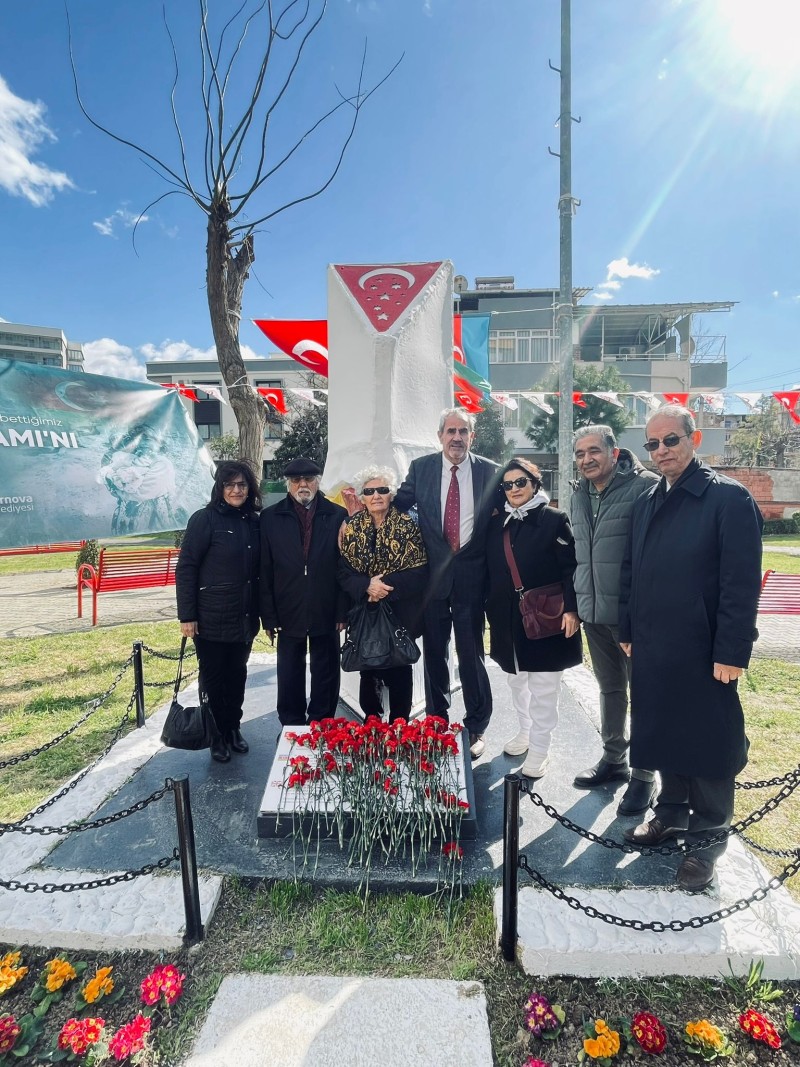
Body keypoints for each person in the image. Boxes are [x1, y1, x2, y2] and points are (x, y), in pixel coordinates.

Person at [618, 405, 763, 892]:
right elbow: (630, 572)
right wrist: (627, 627)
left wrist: (732, 651)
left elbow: (741, 584)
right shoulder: (647, 500)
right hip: (653, 646)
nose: (661, 451)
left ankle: (706, 843)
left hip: (704, 651)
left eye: (670, 440)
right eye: (652, 444)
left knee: (707, 744)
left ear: (693, 439)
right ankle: (671, 814)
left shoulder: (728, 498)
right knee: (663, 733)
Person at [393, 408, 500, 758]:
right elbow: (396, 507)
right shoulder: (421, 468)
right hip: (432, 581)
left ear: (472, 436)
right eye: (451, 431)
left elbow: (514, 503)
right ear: (440, 435)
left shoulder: (490, 472)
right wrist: (356, 516)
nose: (457, 437)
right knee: (435, 655)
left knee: (471, 655)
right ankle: (437, 722)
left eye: (463, 431)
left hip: (472, 579)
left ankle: (477, 725)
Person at [570, 425, 660, 816]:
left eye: (594, 451)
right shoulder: (578, 492)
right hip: (593, 613)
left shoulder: (646, 487)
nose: (586, 459)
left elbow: (655, 557)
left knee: (645, 695)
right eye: (579, 453)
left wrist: (639, 614)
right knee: (609, 690)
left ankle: (644, 775)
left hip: (633, 618)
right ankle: (613, 759)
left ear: (614, 452)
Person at [485, 458, 582, 778]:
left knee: (543, 687)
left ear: (535, 484)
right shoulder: (498, 524)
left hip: (546, 617)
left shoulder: (554, 520)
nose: (514, 489)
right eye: (508, 484)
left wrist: (572, 609)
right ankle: (526, 732)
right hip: (507, 620)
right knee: (517, 681)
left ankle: (541, 748)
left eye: (521, 482)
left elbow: (571, 568)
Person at [175, 460, 261, 763]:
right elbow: (187, 567)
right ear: (220, 488)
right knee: (213, 679)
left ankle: (233, 727)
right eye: (230, 484)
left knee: (237, 676)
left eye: (242, 485)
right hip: (210, 618)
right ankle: (216, 735)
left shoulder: (254, 522)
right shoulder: (205, 519)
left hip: (244, 617)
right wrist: (187, 615)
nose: (236, 490)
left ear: (249, 489)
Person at [260, 458, 348, 727]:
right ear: (288, 484)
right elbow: (264, 569)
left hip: (326, 605)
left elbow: (345, 566)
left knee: (326, 670)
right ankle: (291, 724)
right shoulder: (270, 517)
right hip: (287, 606)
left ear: (317, 482)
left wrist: (342, 610)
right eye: (296, 480)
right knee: (289, 671)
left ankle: (322, 723)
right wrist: (269, 616)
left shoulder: (337, 515)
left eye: (308, 479)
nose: (302, 485)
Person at [338, 465, 429, 722]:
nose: (376, 495)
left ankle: (399, 725)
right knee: (368, 666)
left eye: (382, 490)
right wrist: (367, 586)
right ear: (362, 497)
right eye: (369, 491)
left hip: (400, 610)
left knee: (400, 666)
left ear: (391, 494)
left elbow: (420, 571)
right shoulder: (351, 528)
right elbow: (343, 572)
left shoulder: (409, 525)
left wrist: (382, 586)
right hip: (364, 610)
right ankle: (373, 723)